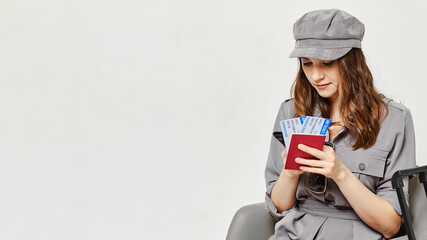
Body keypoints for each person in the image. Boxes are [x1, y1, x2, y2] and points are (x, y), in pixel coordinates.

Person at [264, 9, 416, 240]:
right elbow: (279, 208)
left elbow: (392, 225)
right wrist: (290, 173)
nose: (315, 76)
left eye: (327, 63)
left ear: (352, 61)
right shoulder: (291, 111)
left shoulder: (394, 119)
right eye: (307, 63)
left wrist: (341, 174)